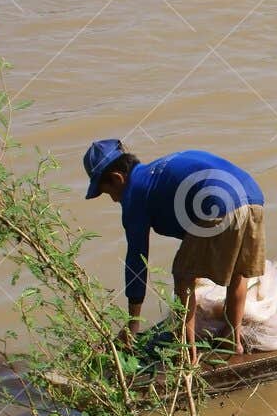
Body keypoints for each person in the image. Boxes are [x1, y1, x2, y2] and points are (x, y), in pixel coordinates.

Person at [83, 140, 266, 357]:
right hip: (253, 196)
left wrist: (133, 324)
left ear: (117, 179)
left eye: (108, 193)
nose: (114, 200)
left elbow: (136, 260)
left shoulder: (134, 194)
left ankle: (187, 353)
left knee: (183, 276)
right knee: (238, 269)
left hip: (218, 203)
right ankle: (231, 339)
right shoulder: (156, 172)